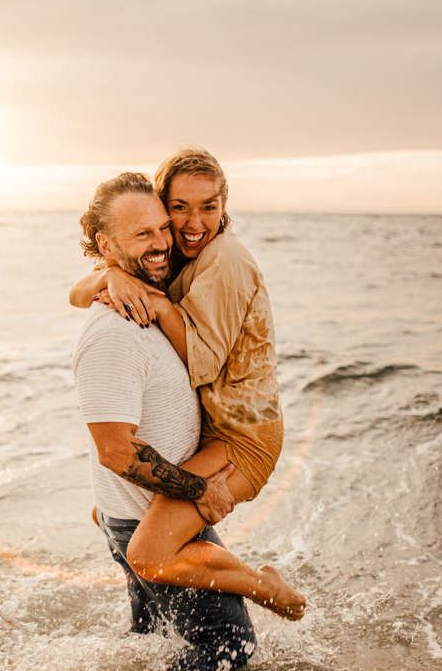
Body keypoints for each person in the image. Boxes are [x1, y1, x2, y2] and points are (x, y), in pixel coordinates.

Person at [70, 148, 306, 620]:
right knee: (138, 533)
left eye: (209, 207)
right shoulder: (175, 251)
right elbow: (77, 294)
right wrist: (112, 273)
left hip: (244, 438)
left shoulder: (225, 261)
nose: (193, 222)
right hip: (218, 431)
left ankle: (268, 590)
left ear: (225, 206)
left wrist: (156, 307)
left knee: (149, 552)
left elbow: (205, 363)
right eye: (179, 208)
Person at [72, 172, 257, 671]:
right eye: (142, 235)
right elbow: (117, 452)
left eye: (161, 228)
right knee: (229, 649)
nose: (162, 244)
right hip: (151, 519)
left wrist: (109, 276)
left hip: (134, 516)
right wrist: (203, 491)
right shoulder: (113, 332)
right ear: (105, 245)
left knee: (153, 644)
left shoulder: (144, 298)